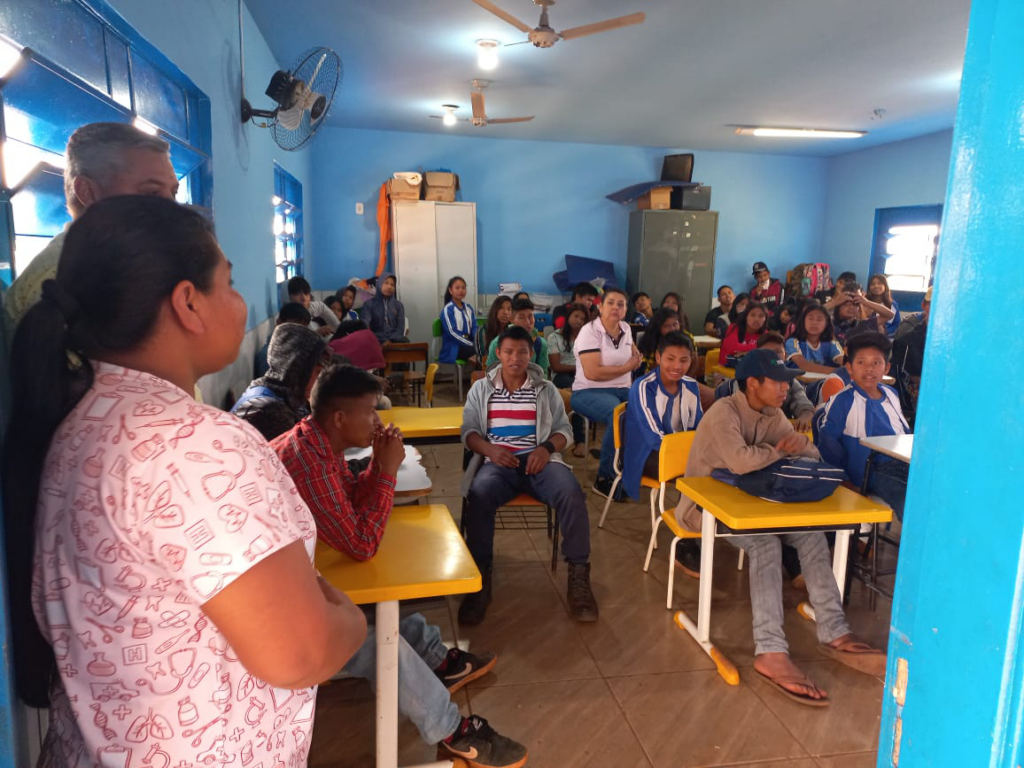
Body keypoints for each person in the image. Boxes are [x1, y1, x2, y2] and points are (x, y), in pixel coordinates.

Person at [1, 196, 366, 762]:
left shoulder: (83, 420)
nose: (242, 303)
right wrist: (351, 619)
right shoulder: (194, 446)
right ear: (188, 304)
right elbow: (302, 652)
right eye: (230, 283)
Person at [272, 365, 528, 767]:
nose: (378, 420)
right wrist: (388, 469)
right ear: (339, 418)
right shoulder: (309, 463)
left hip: (300, 572)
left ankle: (438, 660)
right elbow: (361, 543)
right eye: (370, 411)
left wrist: (378, 463)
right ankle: (451, 732)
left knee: (389, 613)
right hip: (277, 609)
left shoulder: (319, 443)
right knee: (376, 642)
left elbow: (353, 500)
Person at [676, 349, 886, 706]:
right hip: (704, 509)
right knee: (765, 545)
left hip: (758, 505)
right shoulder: (723, 411)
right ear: (753, 383)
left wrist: (787, 446)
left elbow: (810, 454)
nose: (786, 389)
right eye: (779, 382)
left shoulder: (772, 414)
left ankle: (834, 630)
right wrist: (777, 450)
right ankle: (770, 652)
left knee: (810, 535)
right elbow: (742, 461)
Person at [460, 326, 598, 625]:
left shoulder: (545, 389)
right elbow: (469, 432)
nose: (515, 358)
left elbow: (564, 431)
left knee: (572, 493)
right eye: (508, 351)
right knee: (479, 495)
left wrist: (547, 449)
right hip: (499, 463)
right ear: (498, 353)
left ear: (531, 354)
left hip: (540, 462)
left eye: (522, 351)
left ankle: (578, 575)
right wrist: (490, 451)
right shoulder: (481, 389)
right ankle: (479, 579)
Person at [4, 123, 179, 336]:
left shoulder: (123, 263)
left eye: (173, 192)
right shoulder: (62, 280)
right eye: (151, 192)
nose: (172, 208)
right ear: (88, 192)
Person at [816, 332, 911, 521]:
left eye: (876, 363)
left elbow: (904, 433)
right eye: (861, 363)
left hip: (904, 464)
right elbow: (828, 444)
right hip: (873, 471)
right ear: (849, 368)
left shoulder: (891, 394)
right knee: (910, 501)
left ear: (887, 367)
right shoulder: (843, 400)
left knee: (938, 489)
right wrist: (844, 481)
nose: (869, 369)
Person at [571, 287, 641, 499]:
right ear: (600, 307)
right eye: (610, 303)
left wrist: (632, 363)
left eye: (621, 304)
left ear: (626, 309)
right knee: (617, 413)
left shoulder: (626, 329)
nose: (615, 307)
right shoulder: (589, 331)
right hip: (588, 392)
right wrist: (626, 367)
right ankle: (604, 478)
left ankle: (629, 466)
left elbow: (635, 356)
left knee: (647, 411)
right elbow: (592, 373)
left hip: (622, 389)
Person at [624, 332, 703, 499]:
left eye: (684, 360)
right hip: (647, 454)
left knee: (715, 464)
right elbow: (654, 438)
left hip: (681, 451)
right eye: (670, 359)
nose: (677, 366)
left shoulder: (691, 386)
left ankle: (700, 516)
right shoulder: (644, 387)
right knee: (702, 469)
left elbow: (699, 427)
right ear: (658, 357)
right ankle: (691, 515)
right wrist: (692, 453)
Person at [232, 322, 331, 441]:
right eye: (317, 372)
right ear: (297, 368)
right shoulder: (270, 413)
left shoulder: (270, 388)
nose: (319, 380)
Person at [715, 332, 815, 433]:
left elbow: (804, 404)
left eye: (777, 352)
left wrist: (804, 417)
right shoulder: (743, 383)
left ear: (785, 356)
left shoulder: (790, 381)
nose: (785, 387)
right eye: (766, 353)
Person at [548, 303, 589, 456]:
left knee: (583, 391)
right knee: (578, 393)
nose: (578, 320)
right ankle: (580, 440)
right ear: (568, 316)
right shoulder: (555, 337)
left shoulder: (588, 339)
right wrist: (580, 368)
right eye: (576, 316)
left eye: (583, 318)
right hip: (561, 377)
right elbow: (556, 367)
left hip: (584, 376)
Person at [891, 286, 931, 428]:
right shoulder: (909, 335)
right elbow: (910, 374)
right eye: (932, 305)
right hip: (915, 386)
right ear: (923, 306)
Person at [486, 297, 549, 374]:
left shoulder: (540, 343)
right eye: (521, 317)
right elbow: (490, 373)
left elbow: (543, 373)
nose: (527, 322)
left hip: (533, 384)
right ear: (511, 319)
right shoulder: (497, 343)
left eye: (530, 316)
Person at [785, 304, 844, 373]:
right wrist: (839, 372)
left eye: (819, 320)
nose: (814, 323)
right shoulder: (792, 342)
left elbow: (845, 363)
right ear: (803, 321)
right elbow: (804, 366)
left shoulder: (832, 344)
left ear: (826, 323)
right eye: (811, 318)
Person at [439, 275, 478, 366]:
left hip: (469, 343)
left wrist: (478, 341)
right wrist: (472, 344)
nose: (461, 290)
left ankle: (481, 376)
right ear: (450, 290)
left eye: (463, 288)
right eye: (457, 288)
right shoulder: (448, 310)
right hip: (454, 347)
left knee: (485, 349)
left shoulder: (469, 308)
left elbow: (475, 327)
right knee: (478, 351)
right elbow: (452, 333)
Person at [361, 273, 408, 345]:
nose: (389, 287)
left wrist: (390, 341)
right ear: (379, 284)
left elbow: (400, 328)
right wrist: (379, 340)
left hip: (394, 340)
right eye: (386, 283)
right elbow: (365, 326)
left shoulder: (399, 305)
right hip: (376, 339)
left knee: (405, 341)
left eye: (392, 285)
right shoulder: (369, 304)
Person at [478, 295, 513, 362]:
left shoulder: (513, 331)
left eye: (509, 309)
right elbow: (482, 357)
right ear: (495, 310)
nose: (505, 312)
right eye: (501, 308)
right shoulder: (483, 331)